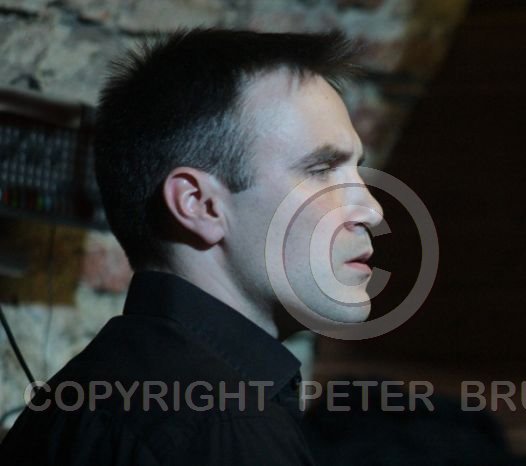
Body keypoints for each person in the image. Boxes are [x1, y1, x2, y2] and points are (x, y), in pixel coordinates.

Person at [0, 29, 383, 465]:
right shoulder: (226, 428)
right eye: (321, 169)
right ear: (199, 204)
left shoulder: (80, 393)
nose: (371, 211)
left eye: (357, 170)